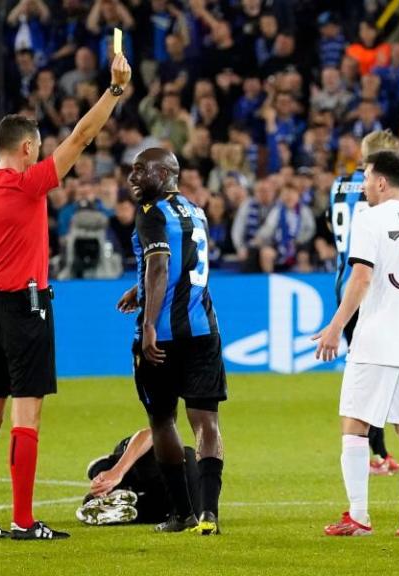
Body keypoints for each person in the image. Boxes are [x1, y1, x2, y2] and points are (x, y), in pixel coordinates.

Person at [0, 53, 133, 541]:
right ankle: (24, 522)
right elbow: (82, 137)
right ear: (28, 148)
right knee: (26, 412)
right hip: (26, 306)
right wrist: (114, 91)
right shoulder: (30, 185)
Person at [314, 151, 399, 537]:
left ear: (382, 182)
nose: (363, 185)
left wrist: (335, 326)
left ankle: (360, 516)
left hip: (378, 336)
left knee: (354, 425)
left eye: (366, 177)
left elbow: (362, 278)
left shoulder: (369, 218)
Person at [117, 147, 226, 535]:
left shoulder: (150, 213)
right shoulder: (195, 211)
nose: (132, 178)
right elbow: (183, 262)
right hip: (203, 330)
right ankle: (210, 514)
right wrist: (139, 287)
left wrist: (148, 322)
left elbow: (161, 264)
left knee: (162, 419)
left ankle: (183, 514)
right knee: (206, 422)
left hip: (162, 337)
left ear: (164, 173)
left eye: (140, 170)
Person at [328, 129, 399, 476]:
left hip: (343, 279)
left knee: (365, 372)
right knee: (381, 374)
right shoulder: (381, 194)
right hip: (373, 285)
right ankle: (379, 453)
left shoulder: (337, 185)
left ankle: (378, 453)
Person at [76, 429, 201, 526]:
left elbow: (150, 433)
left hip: (176, 479)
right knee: (162, 511)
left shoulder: (128, 460)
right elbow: (151, 433)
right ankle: (114, 502)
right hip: (167, 499)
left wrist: (117, 472)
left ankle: (112, 501)